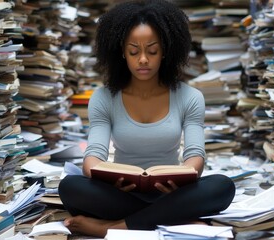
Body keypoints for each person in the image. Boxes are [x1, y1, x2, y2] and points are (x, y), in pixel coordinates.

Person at [58, 0, 235, 237]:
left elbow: (195, 156)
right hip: (120, 194)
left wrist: (183, 177)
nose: (143, 59)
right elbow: (93, 157)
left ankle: (113, 227)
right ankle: (176, 219)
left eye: (152, 50)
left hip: (173, 193)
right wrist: (104, 176)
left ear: (164, 51)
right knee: (70, 187)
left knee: (222, 186)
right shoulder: (103, 97)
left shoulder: (190, 97)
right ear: (122, 52)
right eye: (134, 51)